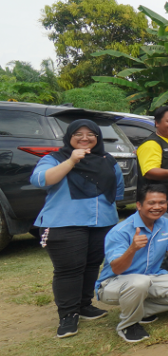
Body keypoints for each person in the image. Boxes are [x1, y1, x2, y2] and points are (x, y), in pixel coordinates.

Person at [31, 119, 124, 338]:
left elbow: (117, 190)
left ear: (97, 138)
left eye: (91, 134)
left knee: (92, 265)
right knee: (69, 270)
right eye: (78, 134)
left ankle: (84, 305)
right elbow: (41, 180)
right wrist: (71, 160)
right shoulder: (54, 159)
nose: (85, 138)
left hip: (102, 222)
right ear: (69, 137)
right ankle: (67, 315)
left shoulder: (107, 160)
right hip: (64, 222)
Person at [96, 185, 168, 343]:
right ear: (139, 205)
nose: (157, 207)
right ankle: (128, 325)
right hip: (114, 283)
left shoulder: (164, 223)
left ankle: (140, 312)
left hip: (150, 278)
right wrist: (132, 249)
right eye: (151, 203)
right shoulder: (121, 231)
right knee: (139, 282)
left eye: (162, 202)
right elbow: (116, 268)